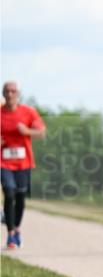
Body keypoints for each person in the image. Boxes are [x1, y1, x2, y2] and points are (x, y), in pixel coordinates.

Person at [1, 81, 46, 249]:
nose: (10, 94)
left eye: (13, 91)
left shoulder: (28, 112)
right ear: (3, 94)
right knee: (9, 193)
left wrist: (27, 132)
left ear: (18, 94)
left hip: (24, 162)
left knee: (20, 197)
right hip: (4, 162)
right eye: (7, 91)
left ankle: (17, 229)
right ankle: (11, 234)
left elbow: (41, 132)